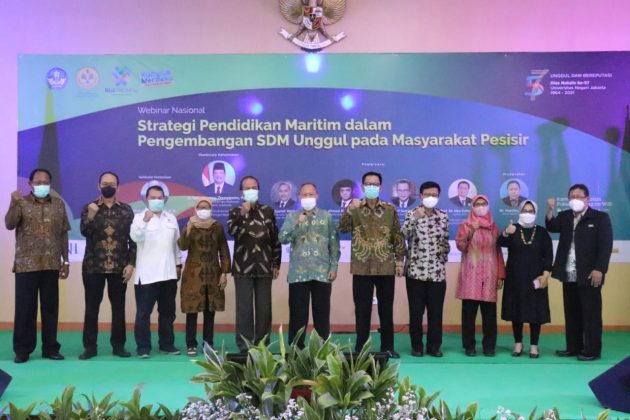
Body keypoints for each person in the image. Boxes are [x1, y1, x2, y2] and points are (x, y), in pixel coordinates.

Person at [5, 168, 70, 363]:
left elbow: (63, 233)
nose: (42, 185)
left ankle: (50, 348)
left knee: (50, 308)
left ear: (50, 184)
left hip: (51, 264)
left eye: (45, 182)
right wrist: (13, 203)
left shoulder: (58, 204)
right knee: (25, 309)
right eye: (38, 182)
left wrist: (66, 261)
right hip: (26, 265)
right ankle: (22, 350)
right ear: (30, 184)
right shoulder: (21, 202)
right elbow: (9, 224)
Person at [338, 171, 406, 358]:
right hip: (362, 266)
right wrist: (348, 210)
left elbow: (397, 235)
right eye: (368, 184)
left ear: (380, 187)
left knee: (386, 308)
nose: (371, 187)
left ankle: (388, 347)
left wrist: (399, 261)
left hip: (385, 266)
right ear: (362, 187)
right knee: (362, 309)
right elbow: (342, 228)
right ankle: (361, 348)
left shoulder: (390, 209)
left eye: (375, 184)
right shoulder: (355, 208)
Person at [546, 184, 613, 361]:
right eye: (571, 196)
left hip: (590, 274)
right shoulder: (565, 216)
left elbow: (605, 246)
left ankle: (592, 350)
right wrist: (550, 210)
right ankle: (573, 347)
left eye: (578, 196)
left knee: (591, 314)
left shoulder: (600, 218)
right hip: (568, 273)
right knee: (572, 312)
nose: (574, 199)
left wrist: (600, 269)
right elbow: (551, 226)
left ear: (587, 199)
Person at [79, 171, 136, 360]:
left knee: (118, 308)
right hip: (93, 266)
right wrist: (91, 216)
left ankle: (118, 346)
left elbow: (133, 240)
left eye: (112, 183)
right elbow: (85, 232)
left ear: (118, 187)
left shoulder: (126, 210)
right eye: (104, 183)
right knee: (91, 308)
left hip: (119, 267)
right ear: (98, 186)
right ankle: (90, 347)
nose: (108, 186)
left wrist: (131, 263)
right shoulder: (89, 207)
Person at [279, 183, 340, 348]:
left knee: (322, 314)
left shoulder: (326, 217)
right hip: (298, 274)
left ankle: (321, 349)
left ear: (317, 196)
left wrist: (333, 267)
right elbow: (282, 238)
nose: (308, 198)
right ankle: (296, 351)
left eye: (311, 194)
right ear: (299, 197)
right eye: (304, 195)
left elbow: (334, 244)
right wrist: (296, 223)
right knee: (298, 315)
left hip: (322, 273)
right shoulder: (292, 217)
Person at [227, 176, 281, 353]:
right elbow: (232, 231)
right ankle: (245, 346)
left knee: (264, 309)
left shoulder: (268, 211)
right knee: (244, 309)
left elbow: (275, 238)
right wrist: (242, 215)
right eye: (247, 188)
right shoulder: (235, 211)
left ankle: (263, 345)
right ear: (241, 192)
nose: (250, 190)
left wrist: (276, 263)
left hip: (264, 266)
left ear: (258, 190)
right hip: (243, 267)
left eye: (254, 187)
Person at [130, 185, 182, 358]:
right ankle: (143, 347)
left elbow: (176, 245)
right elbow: (135, 237)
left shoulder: (171, 218)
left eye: (160, 198)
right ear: (146, 199)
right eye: (153, 197)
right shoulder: (139, 217)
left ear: (164, 199)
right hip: (146, 275)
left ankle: (166, 344)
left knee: (168, 313)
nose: (157, 200)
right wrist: (145, 221)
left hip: (169, 274)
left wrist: (178, 264)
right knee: (143, 314)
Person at [498, 200, 552, 358]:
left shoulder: (541, 232)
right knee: (516, 311)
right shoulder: (513, 228)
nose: (528, 213)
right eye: (525, 210)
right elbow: (500, 242)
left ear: (535, 213)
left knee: (535, 312)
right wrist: (506, 232)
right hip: (515, 277)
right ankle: (518, 343)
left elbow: (548, 255)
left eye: (531, 211)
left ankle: (534, 346)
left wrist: (546, 274)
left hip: (536, 277)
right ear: (520, 211)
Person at [402, 181, 450, 357]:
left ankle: (434, 346)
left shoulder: (443, 216)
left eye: (434, 195)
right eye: (428, 194)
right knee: (416, 313)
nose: (431, 197)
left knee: (436, 313)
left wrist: (443, 255)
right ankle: (417, 346)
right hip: (415, 273)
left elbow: (445, 241)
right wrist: (415, 218)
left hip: (437, 274)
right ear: (421, 196)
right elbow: (403, 235)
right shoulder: (411, 214)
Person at [178, 197, 231, 356]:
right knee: (192, 309)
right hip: (193, 274)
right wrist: (187, 230)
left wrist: (224, 272)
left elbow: (224, 250)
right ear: (196, 208)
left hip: (213, 274)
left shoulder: (217, 226)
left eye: (206, 207)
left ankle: (208, 344)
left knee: (210, 310)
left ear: (211, 209)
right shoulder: (190, 224)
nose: (203, 210)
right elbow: (182, 246)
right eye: (200, 207)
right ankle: (191, 344)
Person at [455, 195, 505, 357]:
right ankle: (469, 346)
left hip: (490, 275)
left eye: (484, 203)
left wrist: (500, 275)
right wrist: (471, 232)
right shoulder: (465, 225)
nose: (481, 206)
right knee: (469, 315)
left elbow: (498, 252)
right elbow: (460, 246)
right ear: (472, 207)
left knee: (489, 315)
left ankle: (489, 346)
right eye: (477, 204)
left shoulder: (494, 227)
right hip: (471, 275)